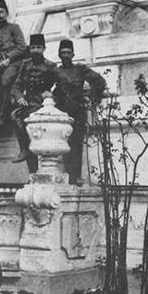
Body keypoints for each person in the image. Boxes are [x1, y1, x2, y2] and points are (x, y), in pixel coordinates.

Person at [52, 39, 106, 185]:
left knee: (76, 144)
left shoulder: (80, 69)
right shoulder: (56, 71)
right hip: (61, 112)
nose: (65, 55)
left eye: (68, 53)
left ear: (73, 54)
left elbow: (99, 81)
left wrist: (93, 98)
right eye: (63, 53)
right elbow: (46, 87)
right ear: (59, 54)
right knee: (63, 144)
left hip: (77, 111)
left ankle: (74, 177)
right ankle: (66, 176)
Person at [3, 34, 58, 173]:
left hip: (44, 104)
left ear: (44, 48)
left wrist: (51, 93)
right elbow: (16, 85)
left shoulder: (51, 66)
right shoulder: (25, 64)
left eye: (38, 47)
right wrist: (20, 97)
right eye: (33, 47)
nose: (35, 50)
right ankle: (25, 153)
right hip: (28, 102)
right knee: (15, 115)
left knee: (41, 141)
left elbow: (63, 82)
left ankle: (44, 172)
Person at [0, 0, 27, 123]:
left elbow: (22, 47)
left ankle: (5, 111)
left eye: (1, 12)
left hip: (14, 61)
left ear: (7, 13)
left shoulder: (14, 28)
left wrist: (8, 58)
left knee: (5, 80)